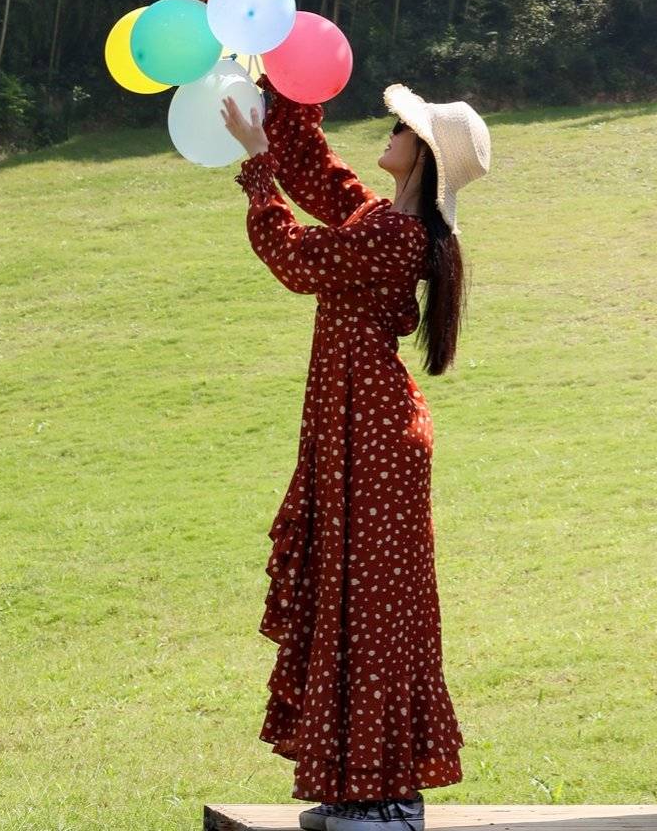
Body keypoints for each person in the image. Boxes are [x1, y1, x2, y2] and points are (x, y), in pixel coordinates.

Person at [221, 76, 492, 831]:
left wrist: (252, 163)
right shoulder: (383, 218)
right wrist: (285, 95)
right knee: (356, 602)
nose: (391, 131)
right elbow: (314, 172)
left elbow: (295, 258)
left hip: (371, 433)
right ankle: (361, 784)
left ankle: (389, 792)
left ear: (420, 160)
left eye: (403, 129)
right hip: (358, 430)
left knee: (374, 608)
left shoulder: (392, 236)